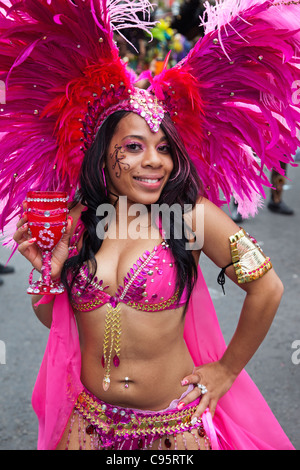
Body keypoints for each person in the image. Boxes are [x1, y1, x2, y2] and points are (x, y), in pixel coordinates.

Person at [1, 0, 299, 451]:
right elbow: (55, 321)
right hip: (88, 426)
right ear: (103, 154)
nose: (154, 162)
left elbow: (268, 287)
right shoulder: (81, 220)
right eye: (135, 147)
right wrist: (48, 270)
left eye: (164, 149)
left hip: (172, 431)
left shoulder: (192, 216)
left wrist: (226, 370)